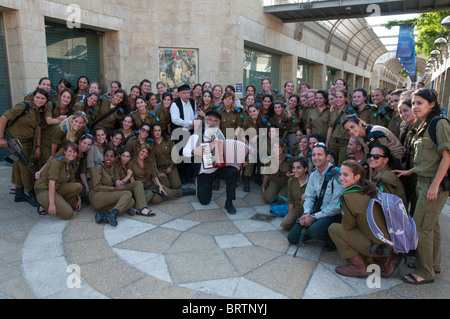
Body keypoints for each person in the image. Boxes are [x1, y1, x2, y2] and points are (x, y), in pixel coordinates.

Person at [394, 88, 450, 285]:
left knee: (420, 227)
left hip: (433, 184)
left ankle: (425, 272)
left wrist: (435, 185)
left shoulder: (439, 124)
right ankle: (433, 264)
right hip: (422, 180)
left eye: (419, 103)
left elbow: (446, 157)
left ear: (432, 104)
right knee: (431, 225)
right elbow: (427, 159)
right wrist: (409, 172)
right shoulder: (424, 125)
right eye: (414, 103)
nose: (415, 107)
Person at [328, 160, 400, 277]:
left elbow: (348, 226)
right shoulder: (368, 188)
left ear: (357, 177)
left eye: (346, 175)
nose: (341, 178)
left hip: (378, 245)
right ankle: (385, 260)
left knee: (334, 229)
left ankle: (358, 266)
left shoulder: (348, 196)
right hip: (389, 241)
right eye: (340, 174)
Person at [287, 142, 343, 250]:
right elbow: (309, 197)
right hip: (317, 212)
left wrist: (313, 217)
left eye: (319, 155)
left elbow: (336, 208)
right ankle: (313, 229)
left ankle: (333, 240)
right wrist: (307, 213)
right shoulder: (313, 174)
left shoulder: (337, 177)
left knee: (314, 231)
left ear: (328, 157)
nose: (316, 158)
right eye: (313, 155)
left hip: (332, 215)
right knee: (292, 237)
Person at [0, 88, 49, 207]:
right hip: (13, 144)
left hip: (26, 144)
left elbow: (38, 129)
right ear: (33, 97)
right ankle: (31, 194)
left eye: (43, 98)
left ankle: (19, 192)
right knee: (26, 168)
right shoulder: (24, 106)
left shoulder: (39, 111)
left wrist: (37, 146)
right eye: (37, 97)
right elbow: (4, 118)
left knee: (18, 165)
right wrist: (1, 138)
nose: (40, 100)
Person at [183, 110, 238, 215]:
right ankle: (200, 182)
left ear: (218, 123)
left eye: (215, 121)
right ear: (205, 121)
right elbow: (185, 152)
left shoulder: (219, 134)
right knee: (204, 202)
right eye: (210, 120)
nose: (212, 123)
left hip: (218, 168)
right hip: (205, 172)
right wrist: (194, 151)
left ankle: (229, 202)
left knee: (232, 172)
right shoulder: (196, 135)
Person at [34, 143, 82, 219]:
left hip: (56, 189)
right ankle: (44, 206)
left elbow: (72, 182)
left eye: (74, 152)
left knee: (78, 186)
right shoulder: (57, 162)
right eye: (70, 151)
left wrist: (79, 198)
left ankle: (60, 203)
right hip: (44, 190)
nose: (72, 154)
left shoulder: (69, 164)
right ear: (65, 152)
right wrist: (52, 204)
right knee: (68, 214)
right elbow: (51, 183)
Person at [89, 147, 135, 226]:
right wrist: (115, 189)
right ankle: (112, 214)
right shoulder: (98, 168)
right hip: (97, 196)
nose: (109, 158)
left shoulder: (112, 168)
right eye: (107, 156)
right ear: (103, 156)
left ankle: (105, 215)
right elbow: (97, 187)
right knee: (127, 194)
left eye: (111, 156)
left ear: (114, 158)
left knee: (131, 201)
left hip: (107, 196)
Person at [170, 83, 198, 185]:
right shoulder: (175, 104)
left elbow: (195, 114)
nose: (186, 95)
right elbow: (175, 120)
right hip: (180, 132)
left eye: (188, 93)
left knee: (190, 154)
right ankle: (182, 177)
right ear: (179, 94)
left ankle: (189, 176)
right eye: (184, 93)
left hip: (191, 132)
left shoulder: (192, 101)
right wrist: (191, 122)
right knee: (181, 155)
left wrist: (195, 120)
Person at [114, 147, 154, 216]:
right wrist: (128, 176)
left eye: (127, 156)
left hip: (129, 189)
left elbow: (133, 182)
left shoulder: (129, 164)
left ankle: (133, 208)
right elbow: (118, 185)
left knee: (149, 193)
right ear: (120, 155)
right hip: (121, 190)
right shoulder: (116, 167)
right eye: (123, 156)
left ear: (130, 157)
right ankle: (142, 208)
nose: (125, 158)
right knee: (138, 183)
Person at [398, 99, 420, 215]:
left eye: (406, 110)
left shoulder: (423, 127)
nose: (403, 115)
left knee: (418, 215)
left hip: (419, 176)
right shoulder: (408, 129)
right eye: (400, 112)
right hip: (410, 174)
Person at [326, 89, 356, 166]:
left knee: (341, 165)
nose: (338, 99)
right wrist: (327, 143)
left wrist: (350, 145)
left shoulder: (350, 111)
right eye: (336, 97)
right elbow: (330, 127)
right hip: (333, 142)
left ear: (345, 98)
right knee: (331, 164)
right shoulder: (333, 110)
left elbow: (353, 129)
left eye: (340, 97)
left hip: (344, 143)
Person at [280, 156, 309, 231]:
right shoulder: (291, 180)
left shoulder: (311, 180)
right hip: (298, 208)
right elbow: (290, 199)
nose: (295, 170)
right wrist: (290, 215)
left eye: (298, 168)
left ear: (305, 169)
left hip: (309, 210)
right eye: (293, 168)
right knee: (285, 224)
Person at [150, 123, 182, 190]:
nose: (157, 132)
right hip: (160, 168)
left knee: (177, 185)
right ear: (152, 132)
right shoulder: (151, 143)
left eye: (159, 130)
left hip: (170, 165)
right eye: (155, 131)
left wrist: (171, 167)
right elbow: (153, 160)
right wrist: (157, 173)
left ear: (161, 131)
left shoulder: (168, 140)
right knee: (166, 186)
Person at [261, 140, 292, 204]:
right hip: (275, 181)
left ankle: (280, 194)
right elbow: (267, 174)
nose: (277, 149)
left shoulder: (290, 159)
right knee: (267, 199)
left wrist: (292, 174)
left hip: (286, 183)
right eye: (275, 147)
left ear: (283, 148)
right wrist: (263, 187)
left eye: (279, 147)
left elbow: (296, 171)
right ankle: (275, 193)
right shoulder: (270, 160)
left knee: (281, 200)